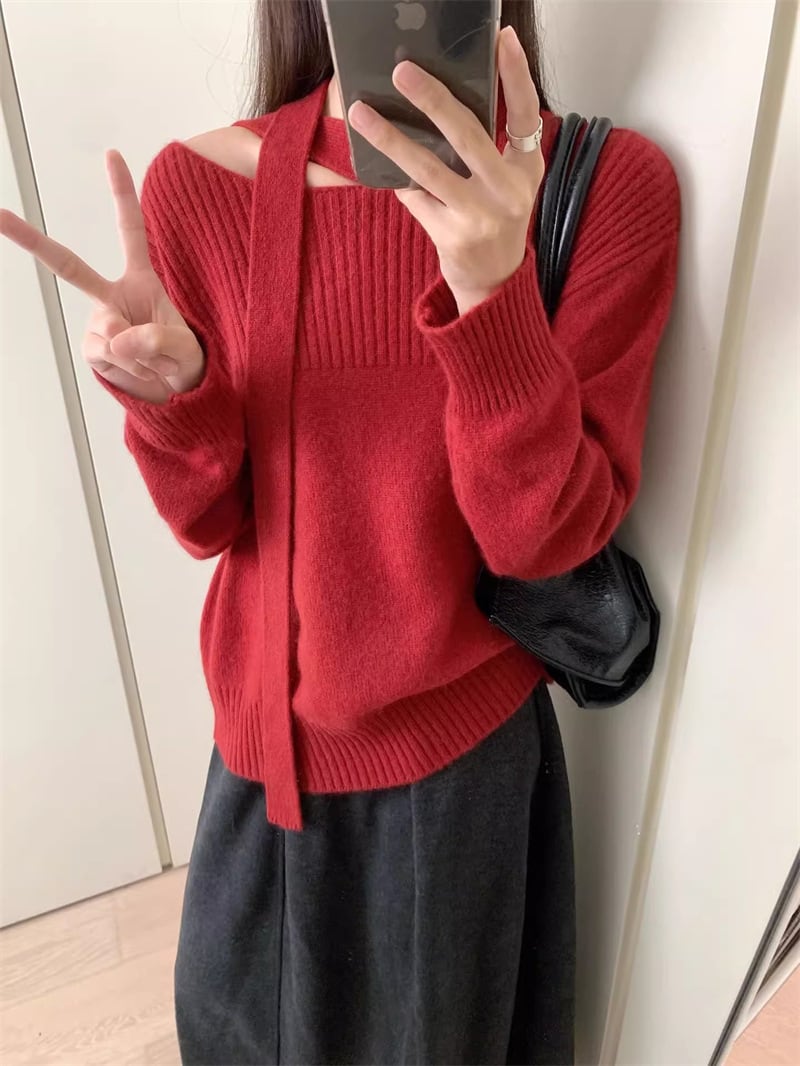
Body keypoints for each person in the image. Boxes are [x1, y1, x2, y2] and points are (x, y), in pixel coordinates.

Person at [0, 1, 681, 1062]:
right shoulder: (198, 188)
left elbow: (543, 541)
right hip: (262, 765)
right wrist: (175, 401)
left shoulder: (605, 189)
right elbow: (210, 524)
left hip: (467, 779)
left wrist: (493, 293)